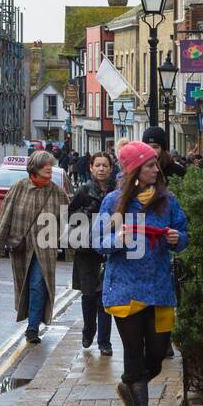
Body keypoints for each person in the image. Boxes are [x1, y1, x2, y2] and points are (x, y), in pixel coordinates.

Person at [94, 141, 189, 406]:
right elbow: (98, 242)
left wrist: (176, 238)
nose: (156, 170)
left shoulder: (167, 201)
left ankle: (128, 383)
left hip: (159, 289)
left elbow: (184, 235)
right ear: (135, 169)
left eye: (155, 164)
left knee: (157, 356)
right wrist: (118, 238)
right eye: (149, 165)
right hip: (126, 290)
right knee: (133, 354)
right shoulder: (113, 202)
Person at [0, 150, 70, 344]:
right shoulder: (19, 187)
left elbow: (69, 220)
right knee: (24, 286)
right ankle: (31, 320)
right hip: (21, 247)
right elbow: (5, 217)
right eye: (45, 165)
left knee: (37, 285)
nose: (50, 168)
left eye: (51, 164)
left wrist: (71, 248)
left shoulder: (57, 192)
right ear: (34, 168)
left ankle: (32, 328)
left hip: (45, 248)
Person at [69, 151, 115, 355]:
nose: (102, 169)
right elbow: (70, 216)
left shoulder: (117, 192)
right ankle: (89, 330)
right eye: (98, 165)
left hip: (109, 251)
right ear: (91, 168)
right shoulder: (84, 190)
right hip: (86, 251)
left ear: (111, 168)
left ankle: (105, 342)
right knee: (88, 296)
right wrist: (87, 213)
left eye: (105, 165)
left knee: (105, 299)